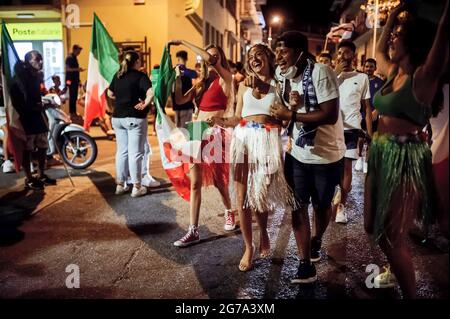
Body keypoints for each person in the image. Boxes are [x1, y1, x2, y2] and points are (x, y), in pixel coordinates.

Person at [364, 1, 448, 298]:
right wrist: (397, 11)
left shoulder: (423, 78)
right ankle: (395, 271)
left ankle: (410, 294)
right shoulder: (391, 72)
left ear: (412, 42)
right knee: (372, 227)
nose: (392, 38)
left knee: (394, 236)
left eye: (399, 34)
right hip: (379, 152)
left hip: (404, 157)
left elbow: (442, 35)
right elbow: (378, 48)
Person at [209, 44, 297, 271]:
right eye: (250, 57)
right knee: (242, 197)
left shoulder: (280, 85)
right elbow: (237, 118)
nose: (254, 59)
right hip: (243, 138)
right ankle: (248, 247)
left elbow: (285, 120)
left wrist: (292, 106)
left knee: (260, 195)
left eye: (258, 54)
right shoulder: (241, 87)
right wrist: (220, 121)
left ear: (268, 58)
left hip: (268, 140)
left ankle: (264, 231)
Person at [270, 31, 345, 283]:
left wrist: (290, 115)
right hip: (298, 153)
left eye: (283, 50)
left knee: (322, 206)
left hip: (326, 154)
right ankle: (304, 264)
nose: (278, 56)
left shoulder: (320, 72)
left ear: (300, 52)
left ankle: (316, 239)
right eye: (276, 50)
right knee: (298, 206)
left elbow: (330, 114)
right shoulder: (282, 76)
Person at [169, 40, 236, 247]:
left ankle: (229, 211)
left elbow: (211, 60)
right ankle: (193, 230)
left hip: (214, 132)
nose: (210, 60)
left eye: (214, 56)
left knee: (219, 180)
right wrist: (178, 78)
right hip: (195, 130)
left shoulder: (226, 79)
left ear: (220, 59)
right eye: (208, 57)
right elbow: (180, 100)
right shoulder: (201, 82)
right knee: (195, 182)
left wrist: (184, 43)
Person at [333, 40, 372, 224]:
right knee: (332, 167)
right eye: (340, 52)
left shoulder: (362, 78)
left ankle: (342, 205)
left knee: (347, 167)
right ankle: (333, 195)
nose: (343, 56)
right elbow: (320, 94)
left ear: (353, 55)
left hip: (352, 129)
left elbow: (367, 107)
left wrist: (370, 132)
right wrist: (335, 74)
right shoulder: (332, 76)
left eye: (347, 52)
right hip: (331, 128)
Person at [107, 51, 153, 198]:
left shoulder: (118, 75)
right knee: (136, 153)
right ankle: (137, 187)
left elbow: (110, 93)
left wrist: (122, 97)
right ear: (137, 61)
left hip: (117, 117)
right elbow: (151, 92)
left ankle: (120, 185)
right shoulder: (140, 76)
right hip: (134, 117)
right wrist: (145, 103)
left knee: (122, 151)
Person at [10, 50, 56, 189]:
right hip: (27, 119)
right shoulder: (19, 80)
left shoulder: (37, 77)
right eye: (37, 59)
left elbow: (37, 97)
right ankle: (29, 178)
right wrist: (32, 108)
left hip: (38, 118)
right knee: (27, 150)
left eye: (41, 59)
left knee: (42, 147)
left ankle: (41, 174)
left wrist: (44, 103)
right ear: (28, 62)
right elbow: (18, 102)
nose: (40, 62)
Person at [355, 58, 385, 172]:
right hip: (360, 114)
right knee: (360, 139)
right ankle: (359, 158)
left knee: (370, 139)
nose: (368, 69)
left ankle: (367, 162)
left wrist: (376, 111)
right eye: (366, 66)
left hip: (373, 115)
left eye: (371, 67)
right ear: (363, 67)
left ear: (375, 68)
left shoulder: (380, 82)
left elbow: (382, 99)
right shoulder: (359, 80)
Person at [170, 50, 197, 128]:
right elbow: (196, 75)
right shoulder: (189, 72)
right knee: (185, 129)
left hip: (176, 104)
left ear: (178, 59)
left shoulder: (173, 72)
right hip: (187, 104)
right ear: (186, 59)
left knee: (178, 127)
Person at [65, 44, 85, 122]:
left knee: (74, 96)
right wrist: (78, 69)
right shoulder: (69, 58)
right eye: (78, 51)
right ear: (74, 49)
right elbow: (68, 69)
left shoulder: (75, 58)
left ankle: (73, 112)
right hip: (70, 80)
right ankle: (72, 113)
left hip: (75, 80)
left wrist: (79, 80)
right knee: (72, 96)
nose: (79, 53)